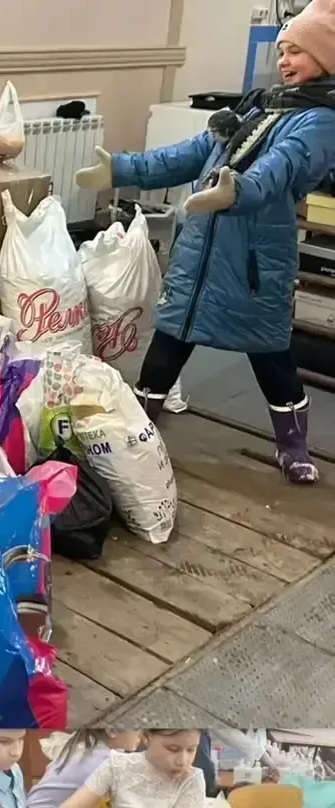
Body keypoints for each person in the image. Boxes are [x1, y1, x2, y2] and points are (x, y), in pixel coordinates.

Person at [76, 1, 335, 484]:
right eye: (282, 51)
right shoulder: (257, 107)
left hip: (254, 266)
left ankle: (293, 447)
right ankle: (136, 436)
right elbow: (191, 154)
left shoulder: (320, 121)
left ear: (325, 57)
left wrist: (238, 190)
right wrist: (122, 168)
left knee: (271, 359)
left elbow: (282, 167)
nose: (284, 61)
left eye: (297, 51)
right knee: (166, 349)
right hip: (197, 262)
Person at [33, 731, 207, 808]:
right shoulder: (117, 764)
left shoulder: (192, 778)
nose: (183, 761)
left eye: (191, 750)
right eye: (173, 749)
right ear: (147, 738)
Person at [27, 730, 143, 808]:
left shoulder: (87, 745)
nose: (141, 733)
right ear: (112, 730)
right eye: (137, 727)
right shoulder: (103, 760)